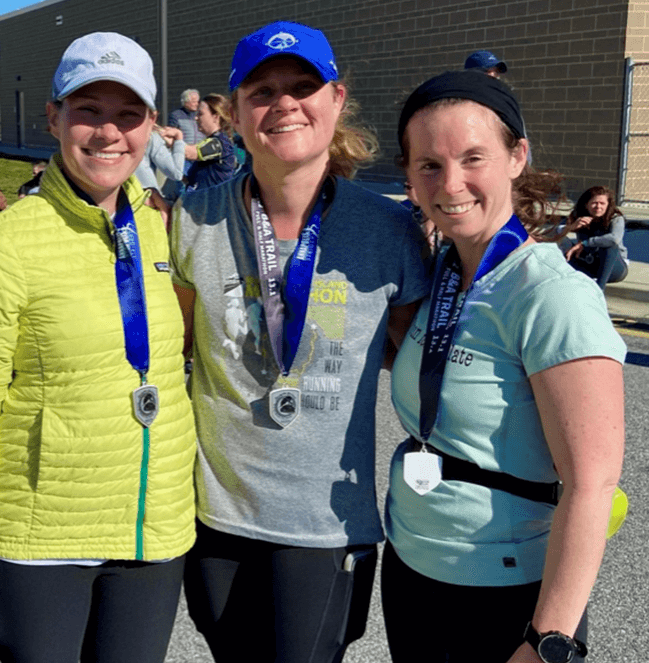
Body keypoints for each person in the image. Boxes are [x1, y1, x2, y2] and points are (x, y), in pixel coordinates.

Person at [0, 32, 197, 663]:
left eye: (128, 115)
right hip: (37, 541)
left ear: (152, 126)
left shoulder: (163, 229)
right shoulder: (3, 246)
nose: (109, 133)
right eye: (88, 111)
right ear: (54, 118)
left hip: (151, 535)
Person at [169, 21, 428, 663]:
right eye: (263, 90)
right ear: (232, 114)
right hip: (215, 517)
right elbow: (171, 352)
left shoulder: (388, 230)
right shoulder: (191, 220)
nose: (284, 103)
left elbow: (423, 364)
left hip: (326, 527)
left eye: (302, 86)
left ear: (335, 100)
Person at [384, 70, 626, 663]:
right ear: (410, 178)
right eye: (429, 166)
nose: (452, 184)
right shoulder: (440, 273)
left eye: (473, 158)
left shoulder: (551, 294)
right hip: (415, 567)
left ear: (517, 156)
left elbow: (593, 484)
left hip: (506, 594)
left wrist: (548, 640)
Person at [563, 185, 628, 288]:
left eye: (602, 203)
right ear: (586, 204)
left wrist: (585, 243)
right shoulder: (578, 215)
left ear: (608, 205)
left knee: (610, 246)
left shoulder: (616, 218)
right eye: (594, 203)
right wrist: (570, 227)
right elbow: (553, 234)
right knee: (562, 242)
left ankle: (599, 289)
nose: (598, 207)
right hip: (587, 262)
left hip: (612, 267)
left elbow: (614, 239)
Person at [184, 93, 237, 192]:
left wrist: (175, 140)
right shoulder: (212, 141)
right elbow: (192, 180)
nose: (196, 118)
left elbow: (189, 153)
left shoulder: (220, 142)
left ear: (215, 117)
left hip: (215, 205)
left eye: (200, 114)